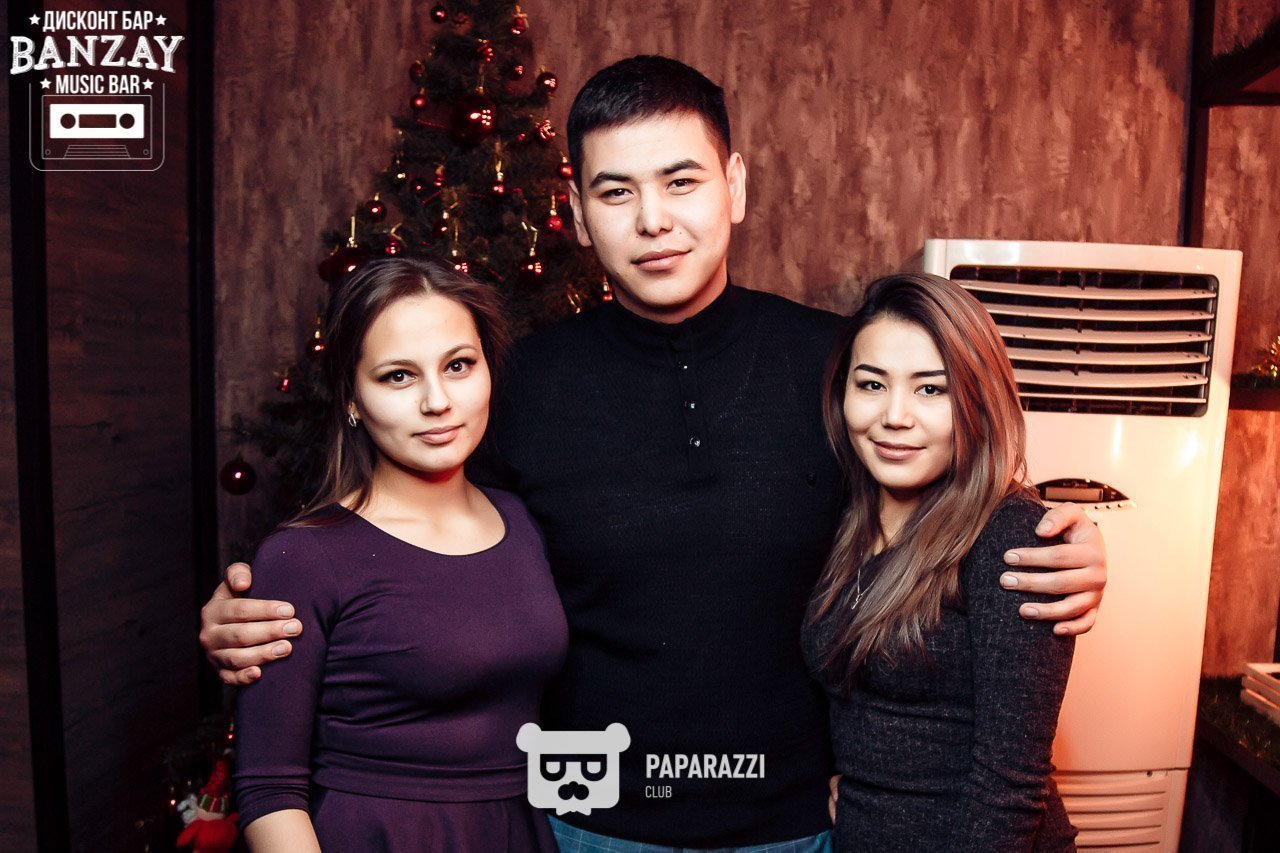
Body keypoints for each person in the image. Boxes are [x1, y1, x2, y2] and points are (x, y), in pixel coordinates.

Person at [203, 57, 1107, 851]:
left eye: (681, 181)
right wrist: (257, 611)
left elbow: (949, 492)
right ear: (576, 212)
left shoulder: (840, 365)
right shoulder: (513, 384)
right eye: (616, 192)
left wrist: (1062, 539)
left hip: (799, 825)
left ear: (735, 186)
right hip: (584, 825)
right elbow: (415, 542)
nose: (653, 220)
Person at [233, 257, 565, 852]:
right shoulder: (304, 556)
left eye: (458, 365)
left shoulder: (519, 518)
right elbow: (269, 789)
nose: (438, 401)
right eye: (398, 376)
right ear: (351, 397)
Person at [802, 273, 1076, 851]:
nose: (895, 416)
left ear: (978, 400)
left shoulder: (1011, 535)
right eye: (872, 384)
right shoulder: (844, 520)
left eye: (931, 389)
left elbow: (1010, 786)